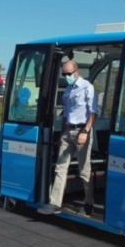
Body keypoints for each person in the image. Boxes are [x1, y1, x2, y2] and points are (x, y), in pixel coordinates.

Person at [39, 60, 97, 216]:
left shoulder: (87, 87)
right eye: (64, 74)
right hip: (68, 131)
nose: (66, 77)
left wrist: (85, 131)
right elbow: (66, 112)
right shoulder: (68, 90)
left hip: (81, 131)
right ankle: (54, 203)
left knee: (84, 170)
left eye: (68, 74)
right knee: (60, 167)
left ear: (76, 71)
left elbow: (93, 112)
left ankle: (89, 203)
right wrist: (62, 132)